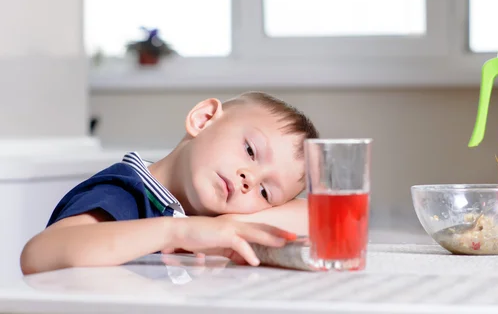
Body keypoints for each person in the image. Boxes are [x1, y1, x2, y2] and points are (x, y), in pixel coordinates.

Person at [20, 91, 319, 275]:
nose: (249, 180)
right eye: (251, 151)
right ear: (203, 119)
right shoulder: (127, 191)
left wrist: (227, 224)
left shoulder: (205, 216)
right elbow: (38, 254)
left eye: (265, 192)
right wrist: (179, 232)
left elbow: (316, 216)